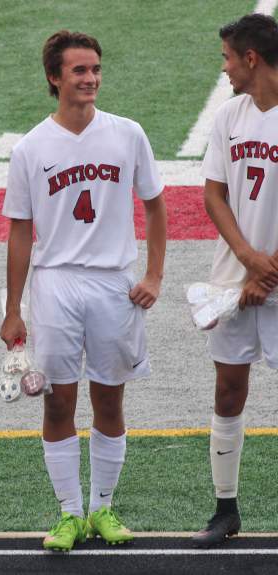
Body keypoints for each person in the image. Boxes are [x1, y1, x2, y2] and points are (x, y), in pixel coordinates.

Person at [0, 30, 166, 552]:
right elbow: (20, 231)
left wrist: (154, 274)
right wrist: (13, 308)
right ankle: (70, 514)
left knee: (110, 398)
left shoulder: (128, 134)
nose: (91, 78)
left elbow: (156, 206)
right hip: (55, 285)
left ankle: (102, 509)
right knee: (57, 403)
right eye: (79, 70)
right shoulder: (30, 148)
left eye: (95, 69)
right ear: (55, 77)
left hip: (114, 283)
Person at [193, 13, 278, 548]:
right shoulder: (230, 116)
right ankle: (226, 509)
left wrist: (267, 273)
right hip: (237, 279)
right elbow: (212, 194)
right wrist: (249, 259)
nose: (224, 68)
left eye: (227, 57)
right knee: (228, 390)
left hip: (262, 280)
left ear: (251, 58)